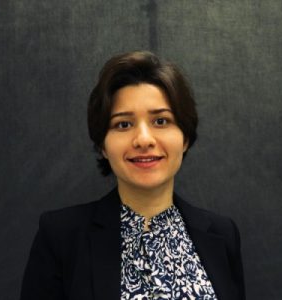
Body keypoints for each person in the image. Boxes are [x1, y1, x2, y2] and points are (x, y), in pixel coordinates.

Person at [20, 51, 246, 300]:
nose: (144, 140)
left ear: (185, 138)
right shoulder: (61, 236)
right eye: (123, 124)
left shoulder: (222, 235)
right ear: (103, 146)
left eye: (161, 121)